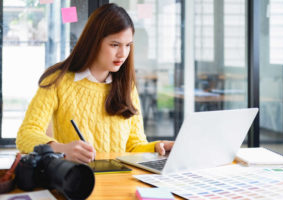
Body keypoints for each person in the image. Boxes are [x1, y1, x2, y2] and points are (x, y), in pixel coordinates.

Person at [16, 3, 173, 164]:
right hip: (77, 179)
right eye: (114, 45)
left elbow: (133, 147)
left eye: (128, 45)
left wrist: (156, 147)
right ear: (94, 41)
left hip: (119, 179)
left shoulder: (126, 86)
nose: (123, 54)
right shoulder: (58, 81)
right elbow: (26, 135)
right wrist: (62, 149)